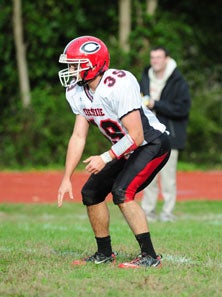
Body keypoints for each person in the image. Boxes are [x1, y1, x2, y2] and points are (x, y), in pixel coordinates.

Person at [57, 36, 171, 269]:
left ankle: (150, 256)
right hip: (126, 147)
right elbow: (78, 136)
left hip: (151, 143)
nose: (70, 70)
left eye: (75, 65)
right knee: (91, 193)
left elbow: (137, 136)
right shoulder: (77, 91)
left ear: (94, 65)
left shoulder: (118, 83)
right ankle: (104, 253)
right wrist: (66, 177)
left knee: (122, 191)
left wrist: (106, 157)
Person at [140, 46, 191, 222]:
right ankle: (148, 213)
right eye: (152, 57)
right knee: (148, 176)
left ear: (167, 59)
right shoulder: (145, 76)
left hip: (171, 136)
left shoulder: (178, 81)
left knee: (168, 179)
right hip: (149, 135)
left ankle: (167, 213)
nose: (155, 61)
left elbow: (183, 109)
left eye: (159, 57)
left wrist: (156, 104)